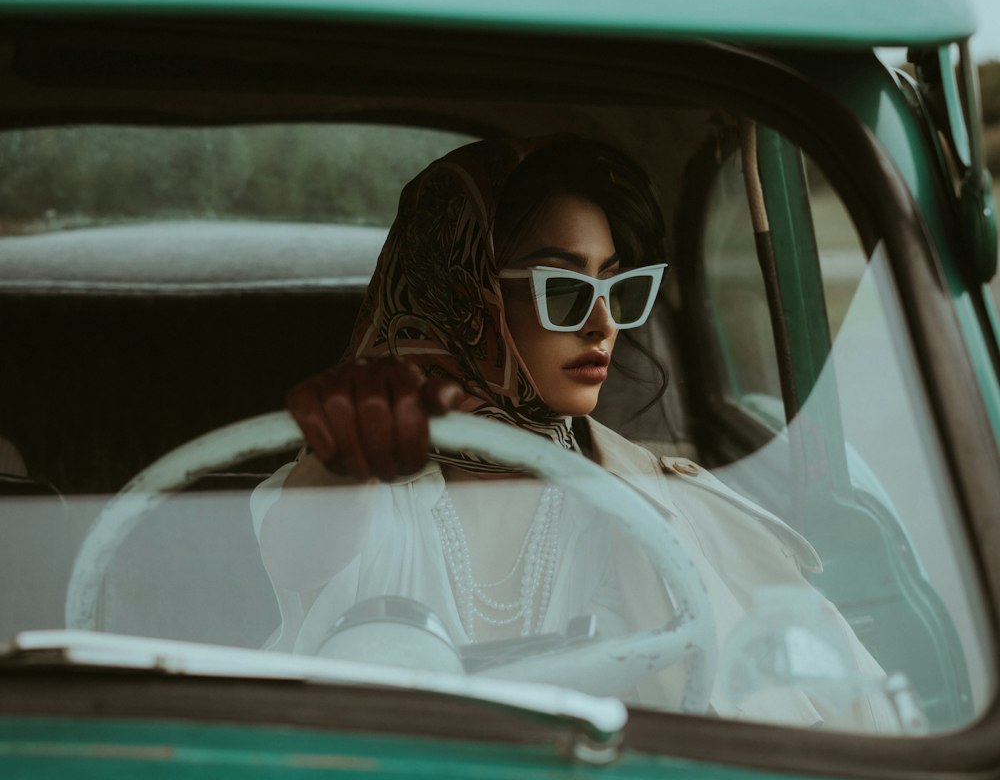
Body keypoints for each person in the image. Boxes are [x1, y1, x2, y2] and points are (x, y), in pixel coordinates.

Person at [252, 136, 893, 729]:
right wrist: (348, 455)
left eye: (617, 287)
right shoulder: (369, 487)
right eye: (562, 286)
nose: (603, 323)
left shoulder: (650, 502)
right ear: (463, 295)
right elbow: (304, 546)